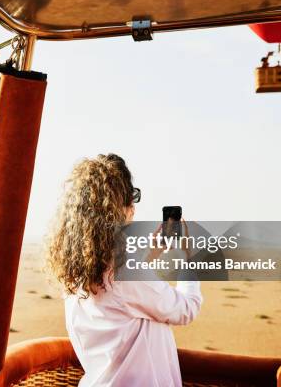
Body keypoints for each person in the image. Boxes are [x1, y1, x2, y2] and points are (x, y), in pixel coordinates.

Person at [46, 154, 202, 387]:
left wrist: (149, 257)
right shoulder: (125, 272)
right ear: (116, 207)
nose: (134, 207)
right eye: (131, 197)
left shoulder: (77, 269)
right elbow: (186, 309)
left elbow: (123, 304)